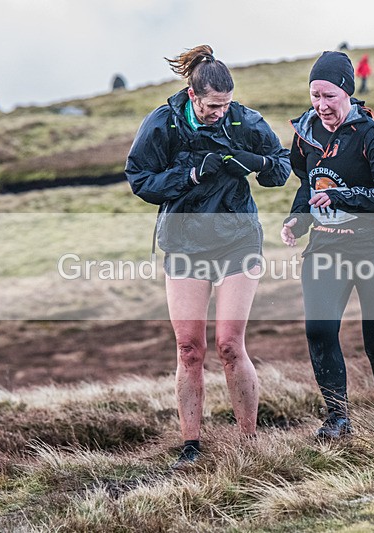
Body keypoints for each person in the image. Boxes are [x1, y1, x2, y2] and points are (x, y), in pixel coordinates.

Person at [125, 45, 290, 467]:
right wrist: (194, 172)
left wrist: (253, 162)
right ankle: (191, 446)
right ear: (193, 95)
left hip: (238, 239)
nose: (220, 112)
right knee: (189, 348)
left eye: (226, 104)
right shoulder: (163, 123)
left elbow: (280, 169)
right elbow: (140, 180)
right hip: (184, 242)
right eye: (213, 105)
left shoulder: (245, 120)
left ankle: (249, 441)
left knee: (230, 344)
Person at [281, 51, 374, 438]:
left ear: (348, 95)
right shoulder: (305, 132)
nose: (321, 105)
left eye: (330, 97)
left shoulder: (370, 135)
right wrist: (298, 219)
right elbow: (309, 182)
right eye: (315, 95)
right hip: (326, 247)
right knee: (319, 331)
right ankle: (337, 419)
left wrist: (343, 196)